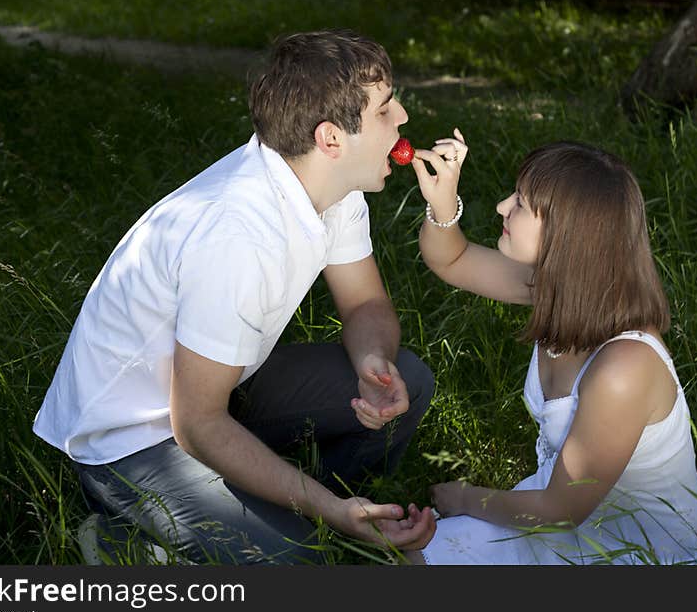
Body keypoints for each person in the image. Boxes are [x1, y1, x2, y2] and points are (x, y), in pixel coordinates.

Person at [32, 29, 437, 565]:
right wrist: (328, 511)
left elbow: (366, 306)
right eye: (386, 109)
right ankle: (121, 537)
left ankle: (293, 508)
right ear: (331, 139)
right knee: (298, 561)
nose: (403, 118)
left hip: (217, 390)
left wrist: (371, 361)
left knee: (410, 380)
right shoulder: (239, 234)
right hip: (131, 440)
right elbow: (196, 422)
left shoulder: (332, 187)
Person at [404, 130, 697, 564]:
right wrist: (442, 200)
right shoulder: (554, 290)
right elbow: (450, 260)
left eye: (521, 204)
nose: (501, 207)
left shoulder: (625, 366)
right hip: (559, 510)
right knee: (414, 558)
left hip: (636, 549)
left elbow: (561, 513)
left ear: (569, 235)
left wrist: (464, 497)